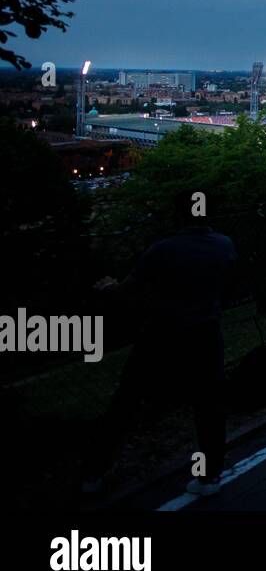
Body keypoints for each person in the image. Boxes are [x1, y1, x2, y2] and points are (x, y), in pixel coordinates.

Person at [81, 190, 236, 497]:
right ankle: (209, 476)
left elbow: (128, 290)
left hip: (162, 333)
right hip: (205, 334)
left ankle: (95, 472)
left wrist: (107, 289)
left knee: (125, 402)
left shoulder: (163, 250)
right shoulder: (224, 246)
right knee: (208, 406)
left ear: (178, 215)